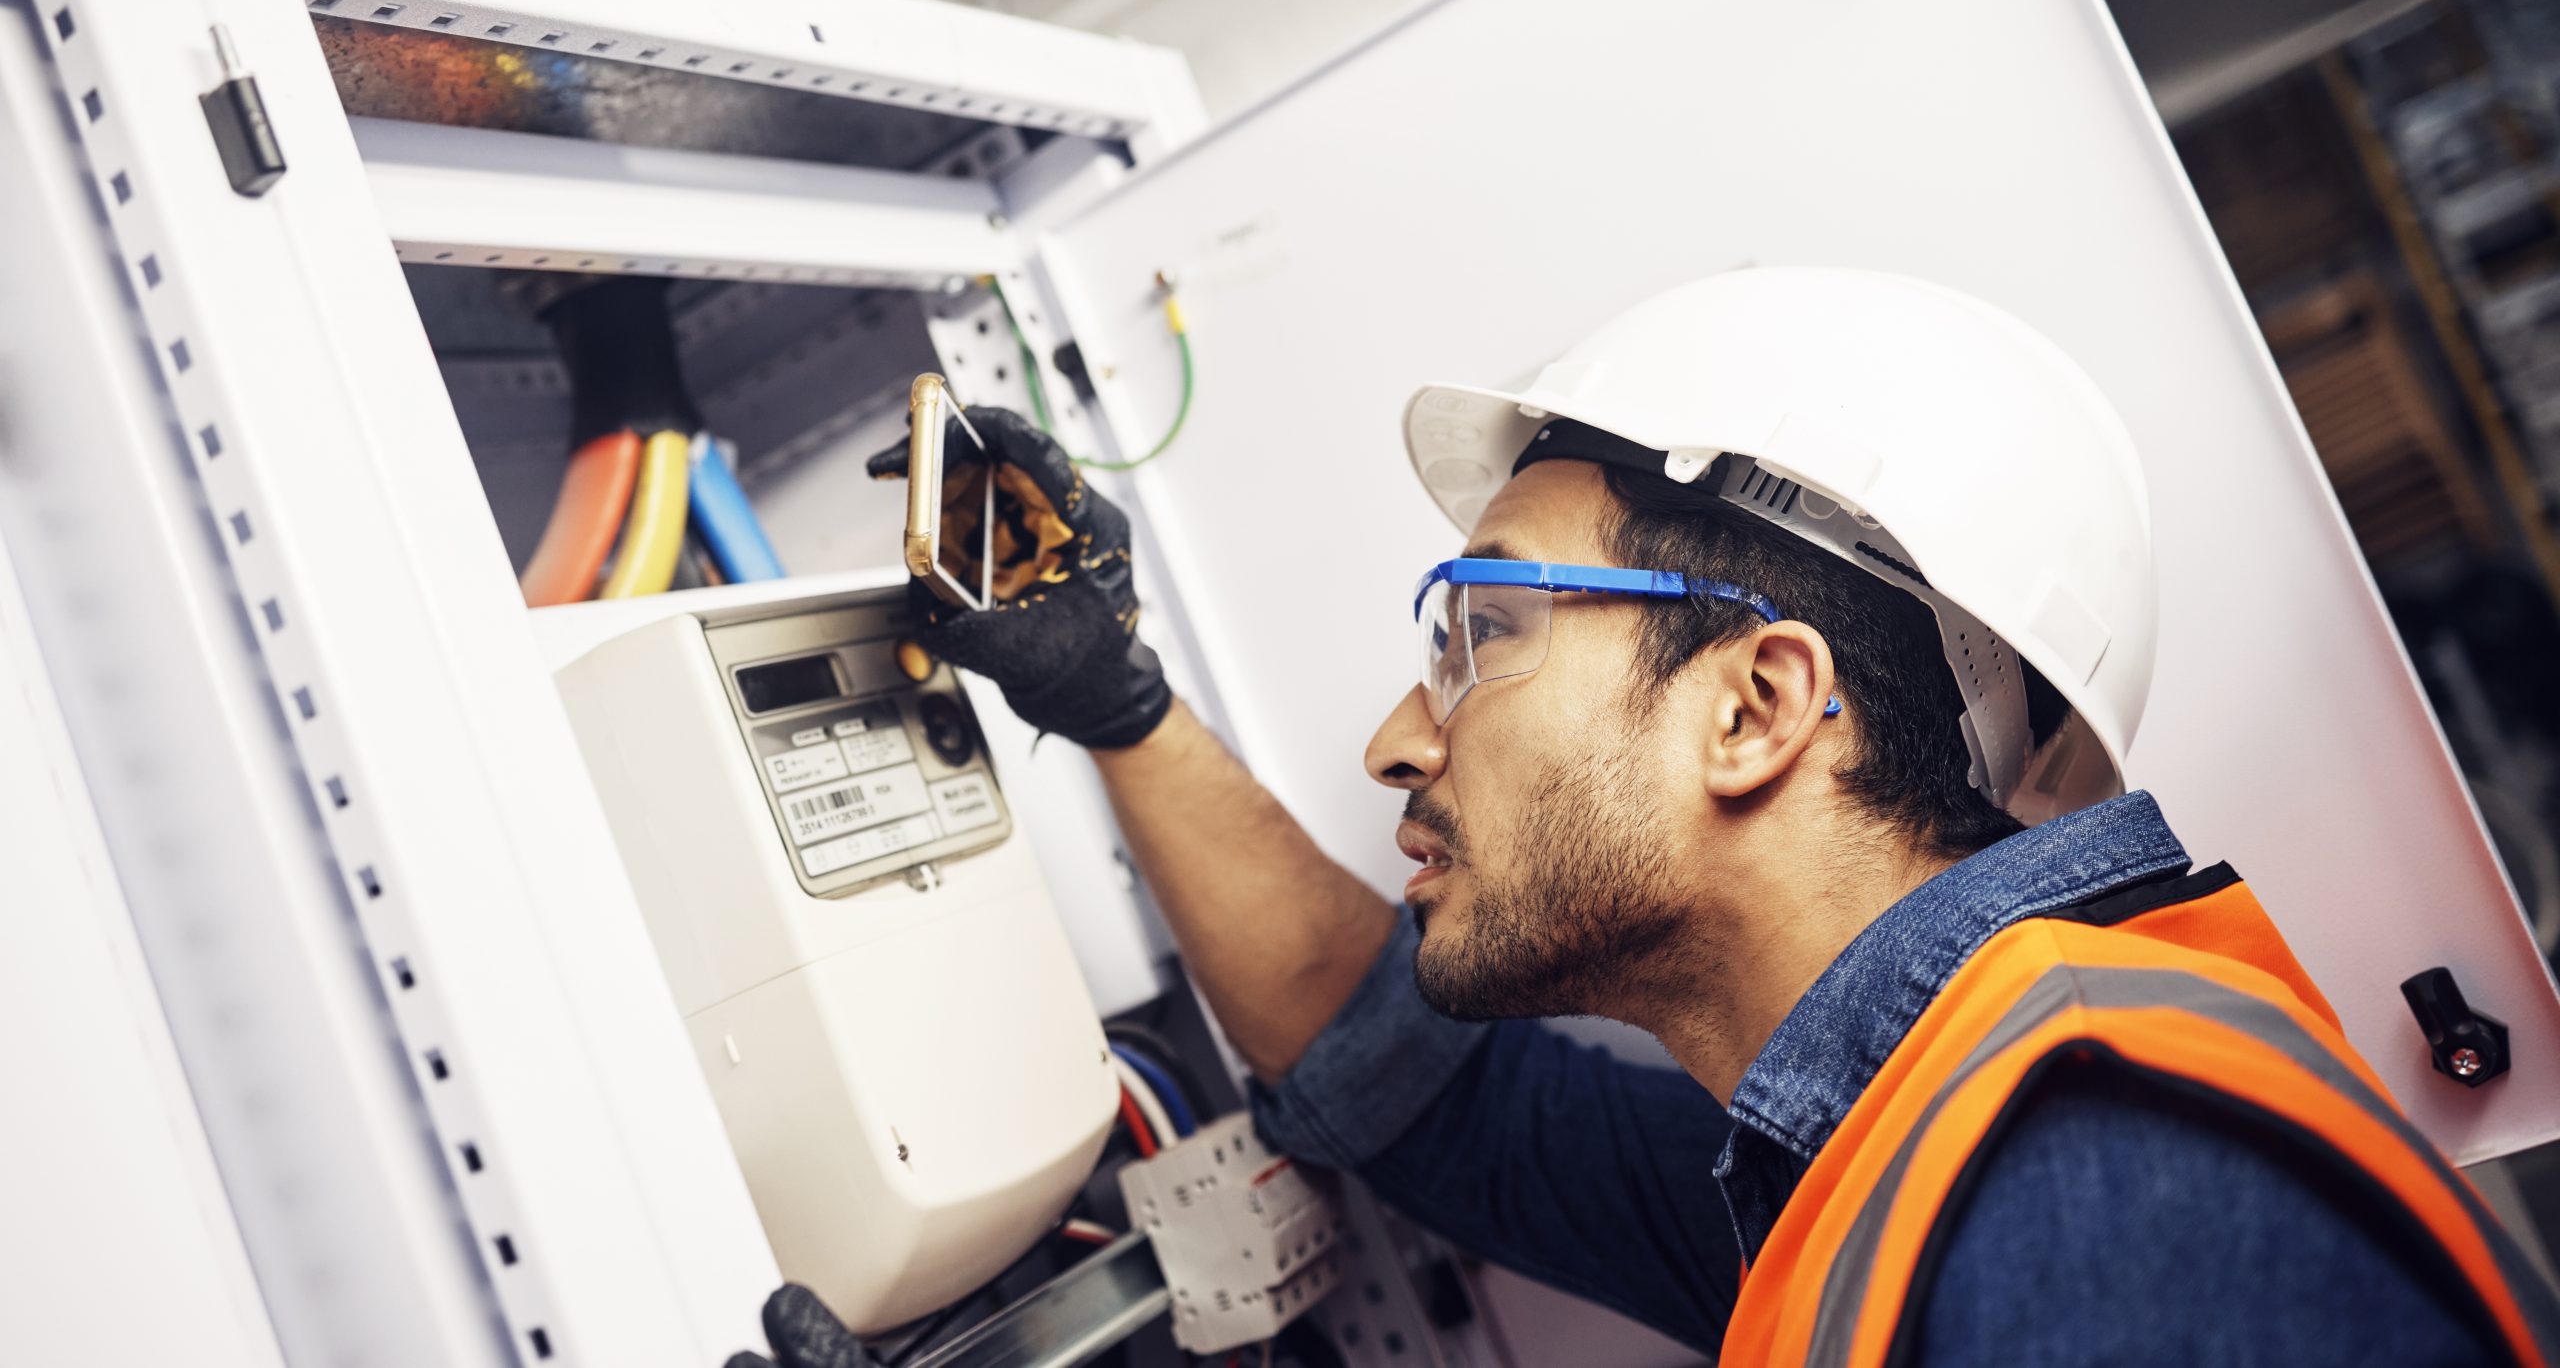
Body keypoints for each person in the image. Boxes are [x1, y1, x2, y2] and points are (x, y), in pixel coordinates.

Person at [731, 267, 2560, 1368]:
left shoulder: (2107, 1210)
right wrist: (1114, 696)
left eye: (1485, 633)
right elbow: (1422, 1097)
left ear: (1757, 706)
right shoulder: (1888, 1156)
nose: (1395, 738)